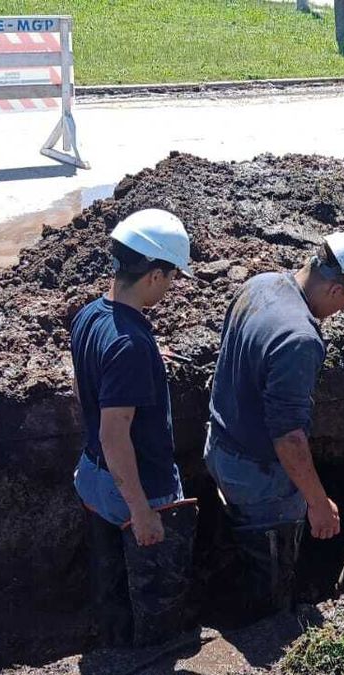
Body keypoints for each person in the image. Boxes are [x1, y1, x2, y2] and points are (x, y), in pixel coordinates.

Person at [205, 232, 344, 615]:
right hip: (258, 476)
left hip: (219, 447)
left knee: (242, 537)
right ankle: (268, 626)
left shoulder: (261, 284)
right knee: (271, 565)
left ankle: (235, 578)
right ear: (336, 289)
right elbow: (288, 440)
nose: (341, 313)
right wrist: (317, 503)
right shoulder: (300, 339)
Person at [70, 208, 198, 647]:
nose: (172, 286)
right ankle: (151, 660)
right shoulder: (129, 346)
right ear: (154, 276)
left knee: (111, 576)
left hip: (94, 476)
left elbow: (88, 388)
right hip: (137, 487)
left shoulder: (91, 316)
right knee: (156, 588)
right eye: (172, 277)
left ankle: (115, 642)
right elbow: (114, 434)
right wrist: (142, 511)